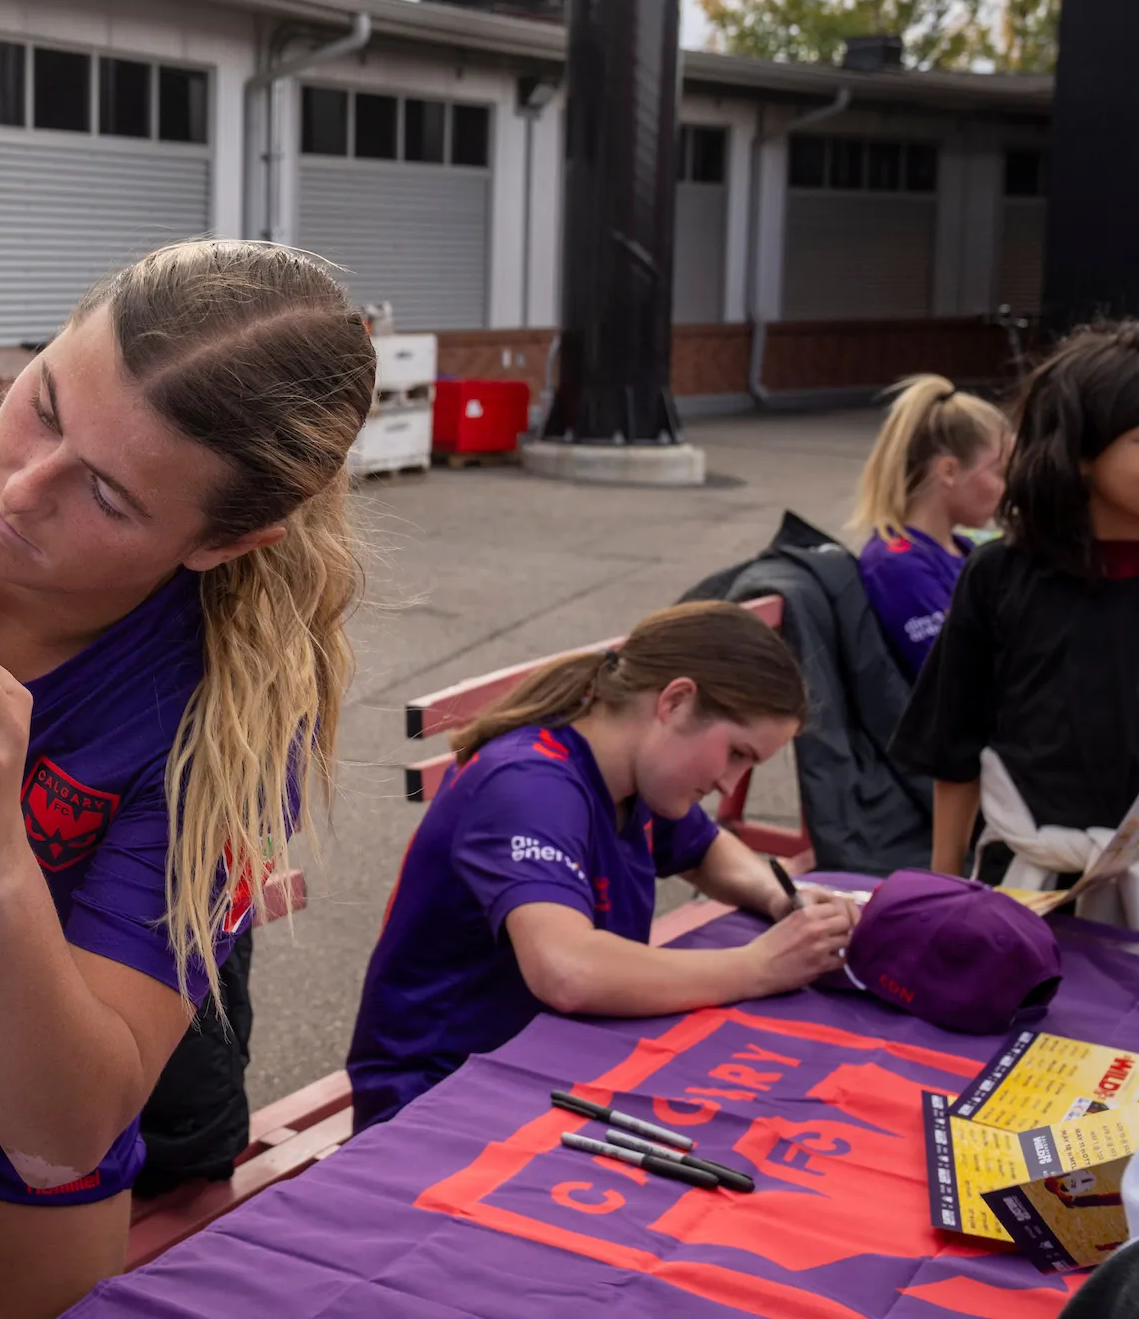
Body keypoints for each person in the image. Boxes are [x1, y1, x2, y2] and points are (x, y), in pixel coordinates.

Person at [0, 241, 376, 1319]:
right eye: (46, 405)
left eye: (108, 496)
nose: (22, 487)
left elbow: (62, 1134)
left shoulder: (232, 718)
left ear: (226, 542)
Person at [346, 602, 858, 1131]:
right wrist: (758, 967)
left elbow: (707, 848)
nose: (732, 784)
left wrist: (780, 898)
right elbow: (567, 970)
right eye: (736, 753)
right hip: (438, 1099)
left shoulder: (633, 772)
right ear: (676, 702)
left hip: (543, 1065)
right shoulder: (529, 784)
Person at [896, 322, 1139, 916]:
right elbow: (955, 749)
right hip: (1023, 891)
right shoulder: (999, 574)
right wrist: (944, 891)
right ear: (1080, 452)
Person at [849, 374, 1010, 677]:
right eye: (1000, 472)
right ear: (948, 471)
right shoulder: (898, 563)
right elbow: (958, 677)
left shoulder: (966, 548)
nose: (1008, 488)